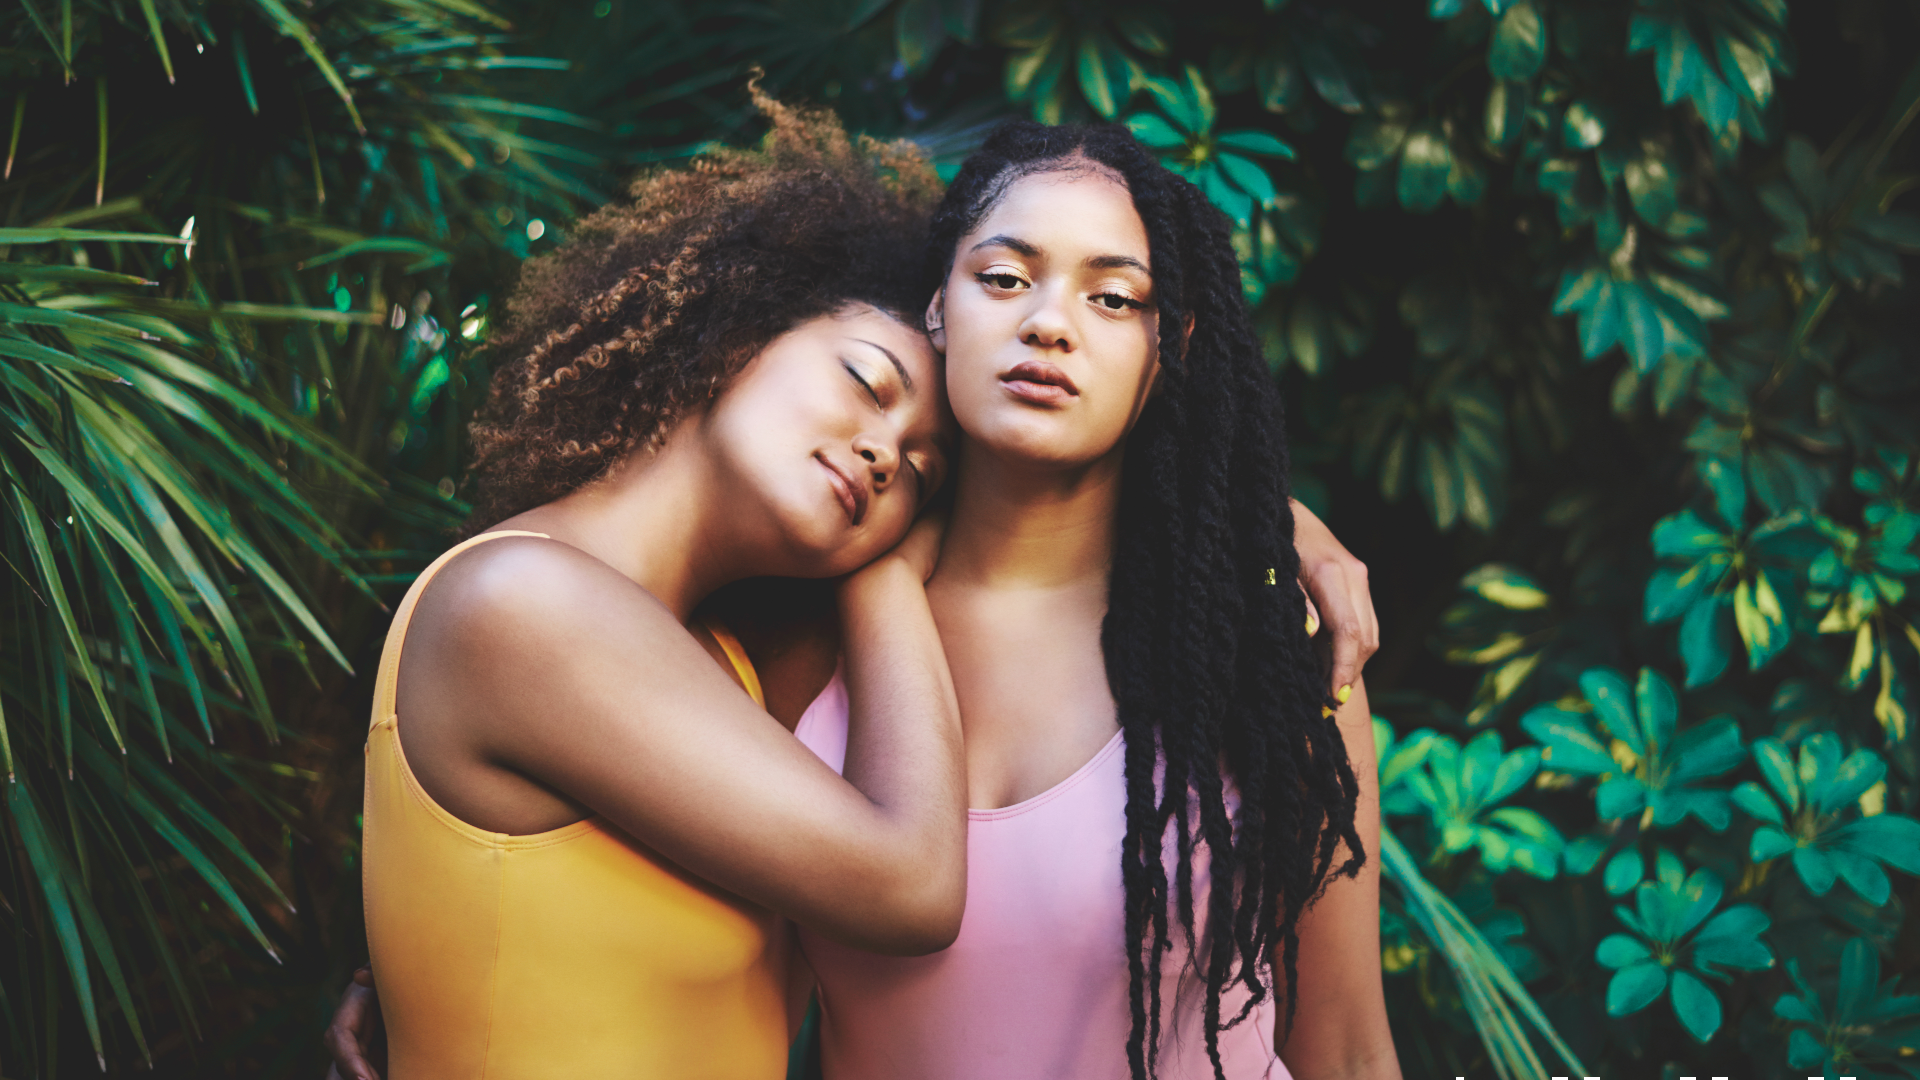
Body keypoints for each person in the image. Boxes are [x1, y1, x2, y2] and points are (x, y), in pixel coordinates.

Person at [327, 115, 1390, 1080]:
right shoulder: (760, 648)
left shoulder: (1268, 650)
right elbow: (837, 893)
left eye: (1114, 298)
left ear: (1170, 353)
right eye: (1006, 277)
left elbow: (1344, 1046)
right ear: (938, 305)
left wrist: (1272, 517)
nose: (1052, 325)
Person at [353, 92, 971, 1080]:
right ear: (739, 328)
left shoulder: (723, 665)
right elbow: (912, 889)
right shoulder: (523, 603)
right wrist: (890, 569)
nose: (886, 454)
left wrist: (1290, 536)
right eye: (867, 381)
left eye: (924, 475)